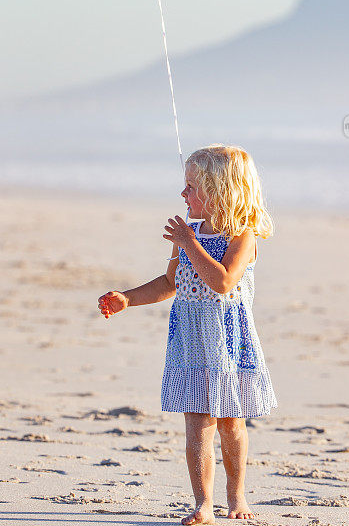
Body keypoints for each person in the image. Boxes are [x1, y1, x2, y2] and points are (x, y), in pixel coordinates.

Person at [98, 144, 278, 524]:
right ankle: (203, 504)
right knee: (197, 422)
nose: (183, 194)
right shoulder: (190, 234)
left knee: (230, 421)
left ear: (220, 191)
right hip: (192, 343)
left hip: (229, 343)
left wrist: (189, 244)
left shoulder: (242, 237)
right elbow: (169, 282)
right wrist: (127, 298)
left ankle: (236, 497)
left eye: (192, 186)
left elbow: (223, 281)